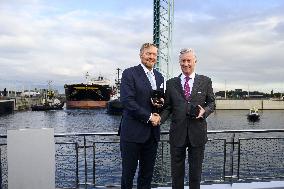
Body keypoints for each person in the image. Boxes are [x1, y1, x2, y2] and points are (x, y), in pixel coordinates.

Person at [160, 48, 215, 189]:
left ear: (195, 61)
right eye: (183, 61)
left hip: (197, 134)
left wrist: (205, 111)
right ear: (179, 63)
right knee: (176, 175)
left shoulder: (205, 81)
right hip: (177, 134)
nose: (186, 64)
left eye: (188, 60)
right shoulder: (171, 83)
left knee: (195, 175)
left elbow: (212, 103)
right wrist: (159, 119)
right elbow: (167, 107)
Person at [119, 42, 164, 189]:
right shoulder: (129, 73)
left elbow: (158, 100)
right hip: (132, 133)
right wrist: (150, 117)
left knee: (147, 175)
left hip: (152, 135)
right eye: (148, 53)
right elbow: (127, 101)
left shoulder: (159, 77)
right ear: (141, 55)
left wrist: (160, 104)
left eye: (154, 54)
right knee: (128, 174)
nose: (151, 57)